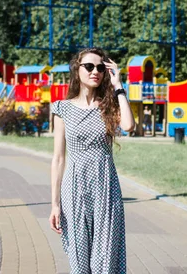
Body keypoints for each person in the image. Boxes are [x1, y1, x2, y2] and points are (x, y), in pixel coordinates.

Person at [49, 47, 135, 273]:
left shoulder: (108, 106)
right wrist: (55, 204)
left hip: (105, 188)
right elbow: (58, 159)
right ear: (77, 70)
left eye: (99, 67)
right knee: (79, 261)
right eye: (89, 66)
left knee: (104, 260)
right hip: (74, 188)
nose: (94, 71)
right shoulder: (62, 108)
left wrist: (118, 86)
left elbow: (128, 125)